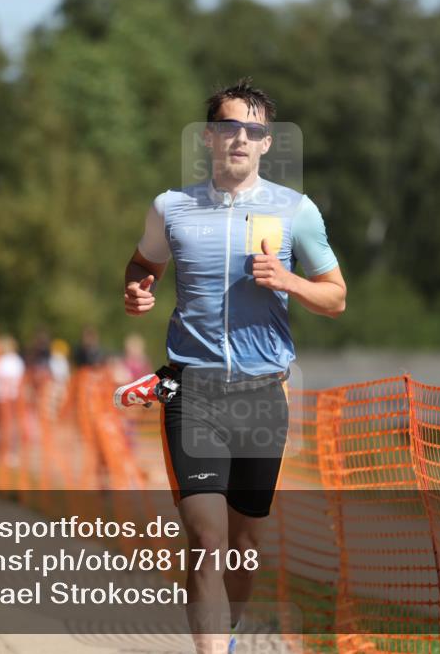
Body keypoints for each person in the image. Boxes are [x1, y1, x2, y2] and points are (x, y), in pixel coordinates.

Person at [121, 79, 346, 654]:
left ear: (266, 143)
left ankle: (229, 636)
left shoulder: (296, 211)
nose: (240, 138)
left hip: (263, 393)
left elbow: (336, 297)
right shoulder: (171, 208)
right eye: (228, 126)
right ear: (209, 137)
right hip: (191, 389)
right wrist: (137, 290)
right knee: (205, 539)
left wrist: (289, 280)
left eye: (253, 129)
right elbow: (143, 263)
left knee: (246, 545)